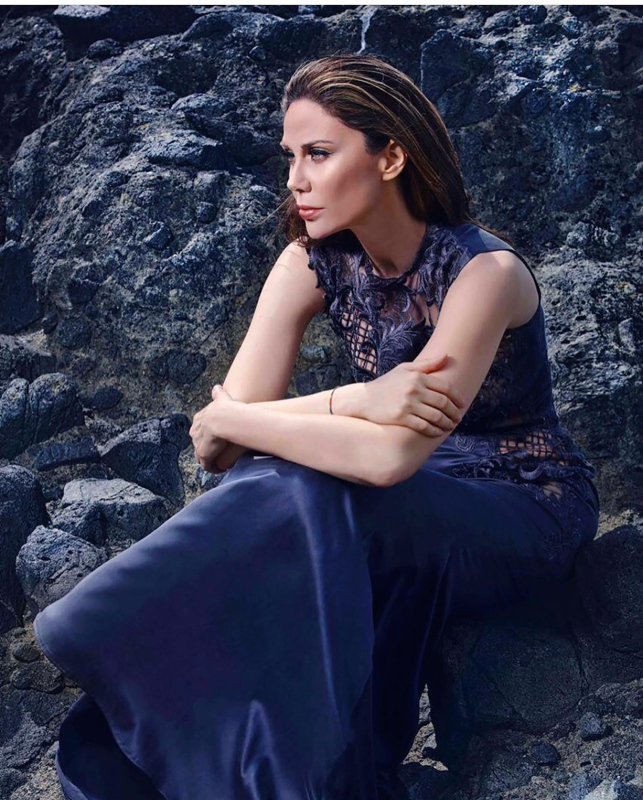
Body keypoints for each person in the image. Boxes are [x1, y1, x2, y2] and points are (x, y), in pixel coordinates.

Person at [33, 54, 600, 800]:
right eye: (291, 157)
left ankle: (123, 642)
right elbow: (216, 445)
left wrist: (250, 416)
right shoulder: (310, 263)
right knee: (286, 475)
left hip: (522, 500)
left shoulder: (482, 274)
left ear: (390, 156)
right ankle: (245, 759)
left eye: (320, 154)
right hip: (408, 488)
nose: (296, 180)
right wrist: (355, 400)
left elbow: (388, 457)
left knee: (308, 480)